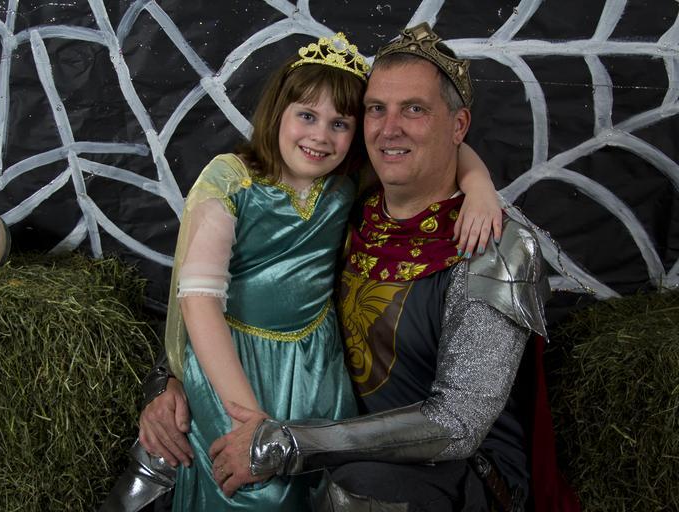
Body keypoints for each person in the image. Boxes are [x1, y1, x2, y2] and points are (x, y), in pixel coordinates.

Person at [99, 29, 503, 512]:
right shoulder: (237, 181)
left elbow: (435, 146)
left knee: (307, 489)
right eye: (307, 116)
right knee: (242, 487)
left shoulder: (346, 184)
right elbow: (199, 299)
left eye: (340, 123)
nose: (320, 135)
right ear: (279, 112)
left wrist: (480, 186)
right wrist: (218, 403)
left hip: (315, 371)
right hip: (239, 365)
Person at [207, 23, 550, 511]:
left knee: (357, 492)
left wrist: (287, 444)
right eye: (375, 109)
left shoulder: (492, 244)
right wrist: (173, 378)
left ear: (458, 126)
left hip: (457, 472)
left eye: (414, 109)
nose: (389, 129)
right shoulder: (348, 205)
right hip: (330, 430)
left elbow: (457, 424)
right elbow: (239, 281)